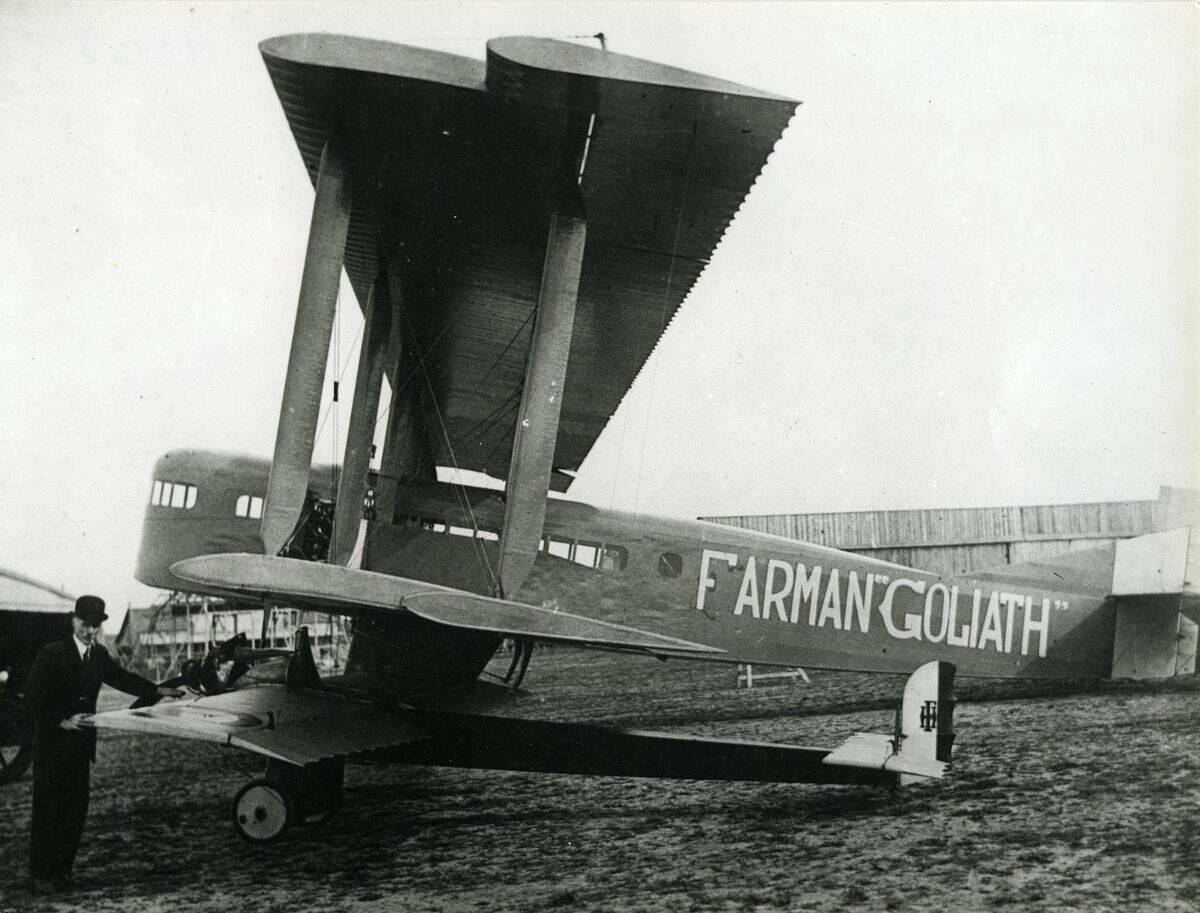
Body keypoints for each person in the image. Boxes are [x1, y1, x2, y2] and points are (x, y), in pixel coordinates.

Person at [24, 595, 181, 894]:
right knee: (48, 812)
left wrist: (160, 690)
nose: (89, 631)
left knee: (75, 812)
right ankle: (41, 876)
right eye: (84, 625)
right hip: (51, 747)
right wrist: (60, 720)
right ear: (73, 620)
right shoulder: (51, 654)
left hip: (81, 747)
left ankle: (62, 873)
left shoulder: (98, 656)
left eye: (95, 626)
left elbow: (122, 678)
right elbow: (32, 702)